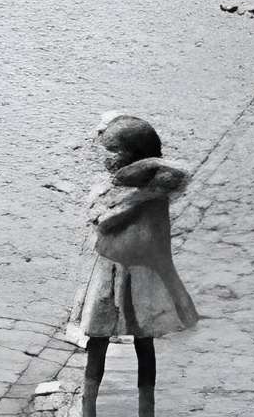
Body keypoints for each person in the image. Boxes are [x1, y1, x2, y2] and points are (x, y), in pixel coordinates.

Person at [66, 111, 199, 417]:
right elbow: (101, 220)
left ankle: (146, 411)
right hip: (108, 273)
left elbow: (182, 172)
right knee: (97, 340)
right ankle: (89, 409)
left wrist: (142, 184)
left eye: (114, 153)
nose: (107, 159)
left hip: (142, 276)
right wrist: (135, 198)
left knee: (144, 341)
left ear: (132, 156)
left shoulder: (155, 187)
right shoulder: (116, 188)